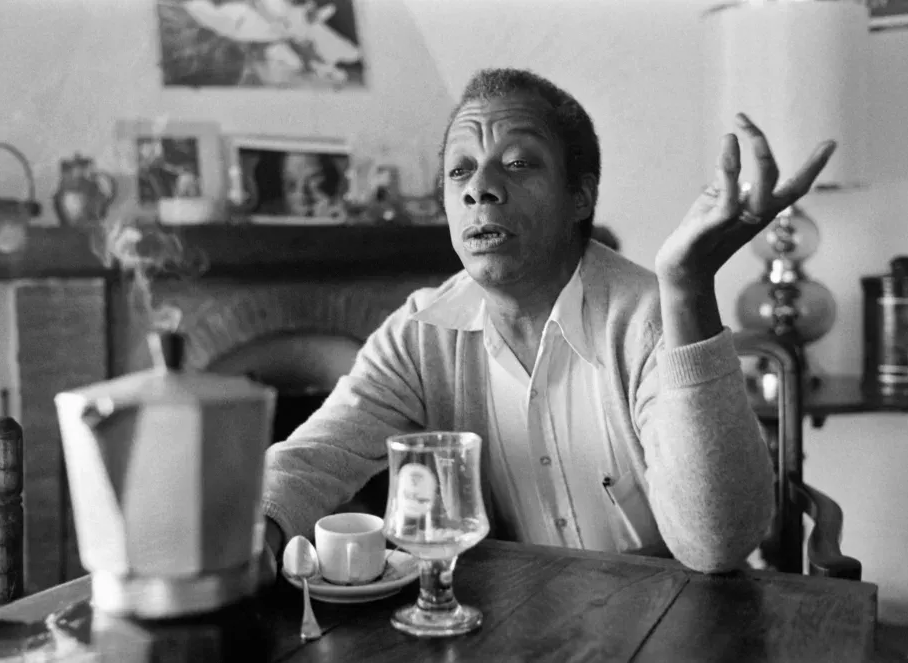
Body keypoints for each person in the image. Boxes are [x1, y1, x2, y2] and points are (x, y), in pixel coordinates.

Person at [258, 68, 837, 580]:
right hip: (513, 629)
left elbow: (719, 546)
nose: (479, 188)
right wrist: (253, 537)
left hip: (678, 623)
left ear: (580, 196)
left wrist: (686, 286)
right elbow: (314, 457)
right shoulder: (420, 333)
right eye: (460, 170)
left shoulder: (652, 318)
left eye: (517, 163)